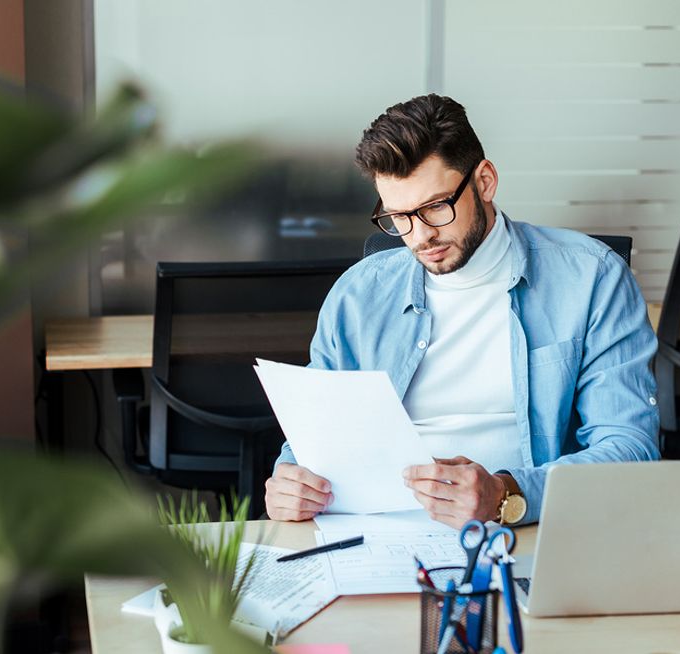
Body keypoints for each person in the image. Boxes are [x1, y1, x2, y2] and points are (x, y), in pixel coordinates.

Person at [264, 94, 660, 528]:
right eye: (399, 216)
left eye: (436, 207)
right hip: (376, 531)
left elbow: (630, 447)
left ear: (485, 181)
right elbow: (318, 436)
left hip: (524, 530)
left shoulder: (592, 278)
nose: (420, 237)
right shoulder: (358, 295)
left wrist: (506, 495)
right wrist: (290, 481)